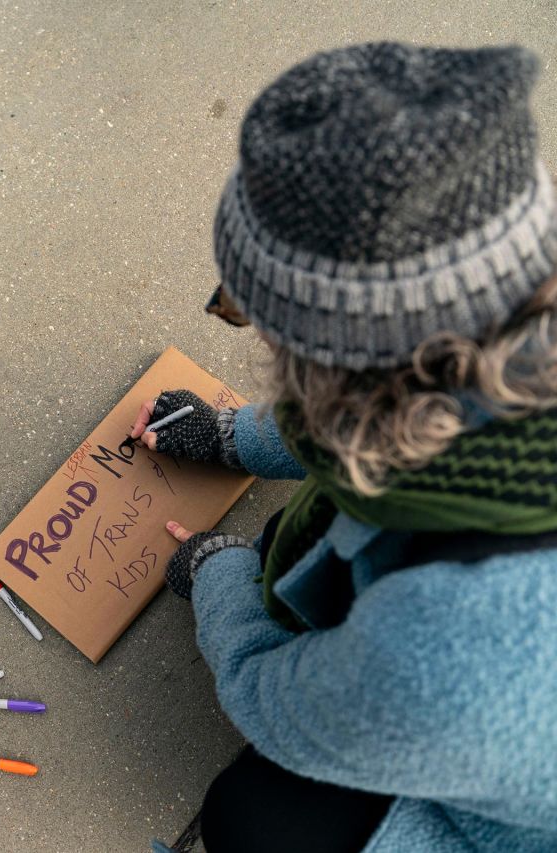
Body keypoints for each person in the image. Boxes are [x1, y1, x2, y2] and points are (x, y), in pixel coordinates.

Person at [132, 43, 557, 853]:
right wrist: (232, 438)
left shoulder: (448, 650)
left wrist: (220, 571)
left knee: (254, 820)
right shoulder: (500, 323)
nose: (240, 326)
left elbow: (269, 700)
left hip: (501, 823)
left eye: (252, 316)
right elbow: (345, 421)